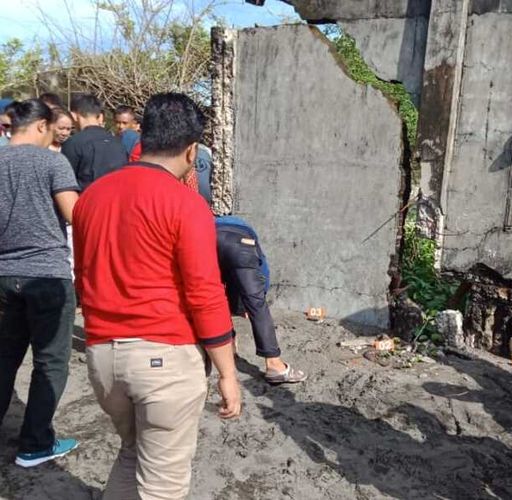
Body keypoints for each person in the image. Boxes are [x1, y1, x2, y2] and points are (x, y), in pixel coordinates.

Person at [73, 92, 241, 499]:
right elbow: (205, 293)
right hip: (163, 360)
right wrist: (228, 373)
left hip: (102, 358)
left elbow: (83, 279)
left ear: (141, 137)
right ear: (191, 150)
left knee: (132, 456)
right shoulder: (186, 203)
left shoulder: (90, 198)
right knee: (163, 486)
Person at [0, 99, 80, 467]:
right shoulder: (52, 161)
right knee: (50, 362)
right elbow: (74, 214)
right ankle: (34, 444)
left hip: (3, 276)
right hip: (47, 274)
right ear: (42, 126)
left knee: (4, 357)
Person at [215, 216, 307, 383]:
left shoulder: (211, 221)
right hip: (242, 243)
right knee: (257, 305)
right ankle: (274, 365)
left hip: (210, 239)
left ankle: (228, 349)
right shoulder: (246, 230)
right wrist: (254, 300)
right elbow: (262, 271)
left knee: (217, 297)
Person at [62, 94, 128, 190]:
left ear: (74, 116)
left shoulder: (73, 143)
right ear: (100, 116)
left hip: (86, 201)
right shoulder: (118, 143)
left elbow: (65, 184)